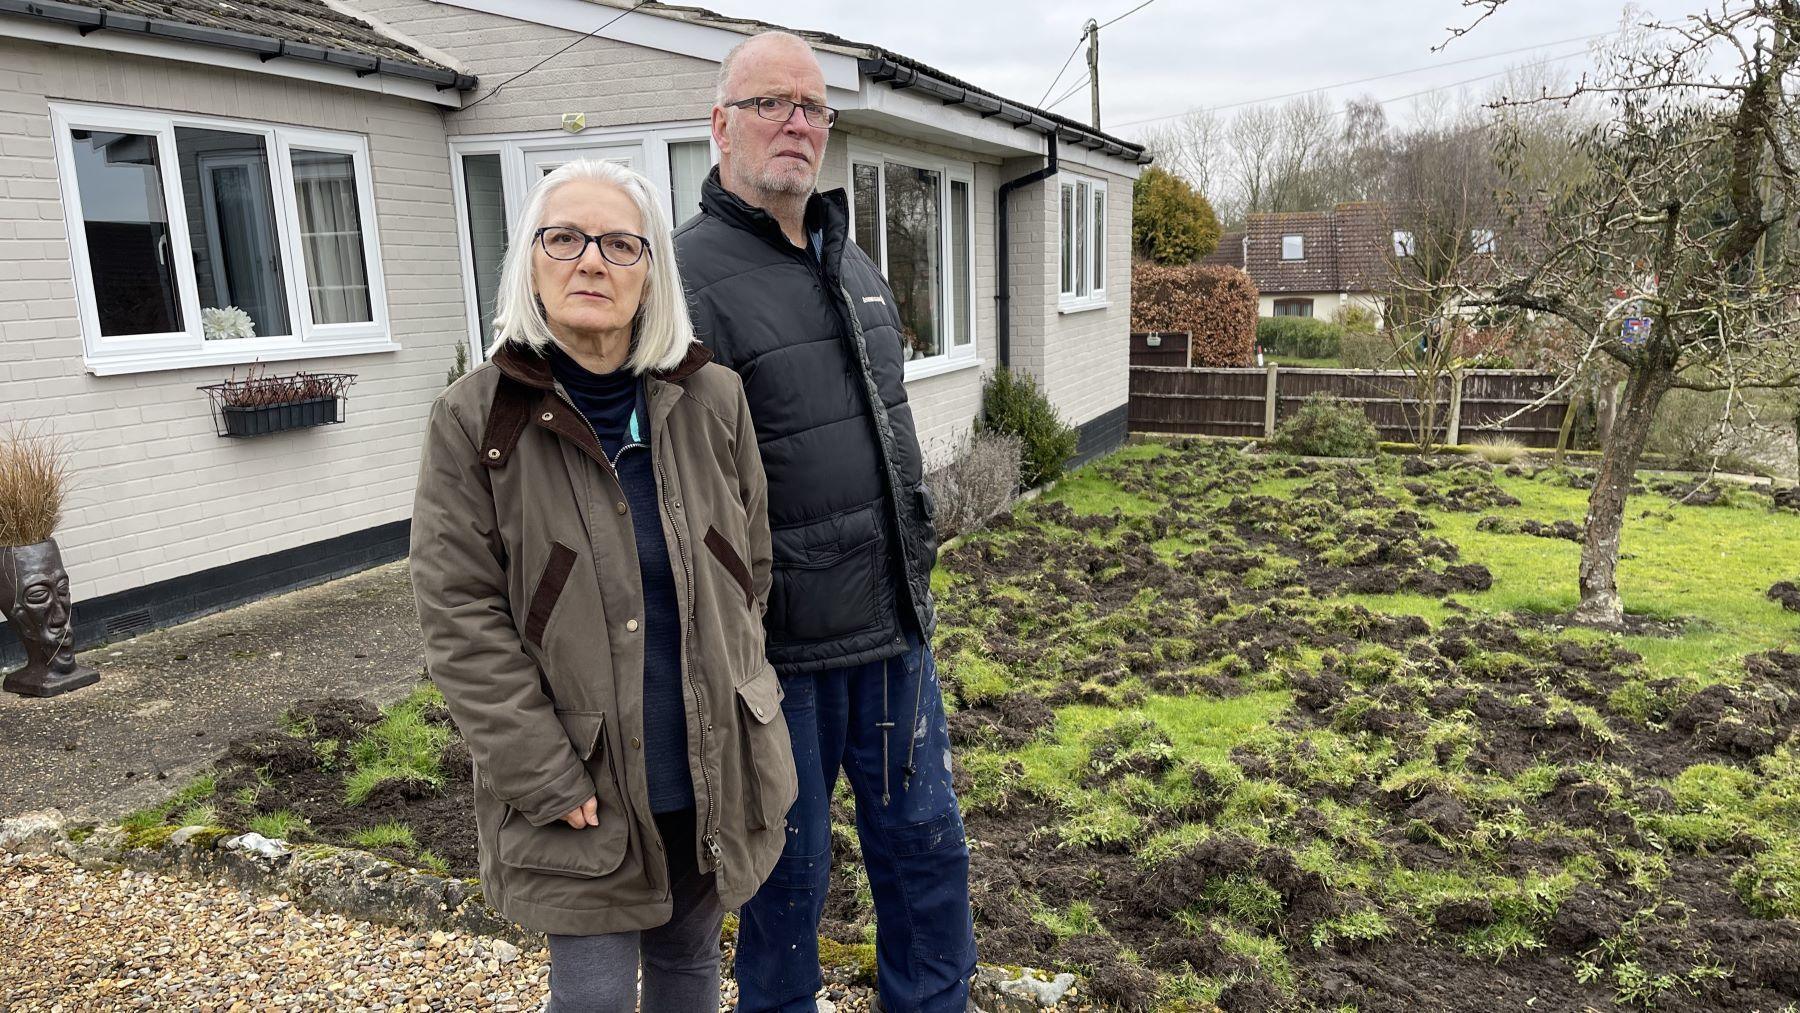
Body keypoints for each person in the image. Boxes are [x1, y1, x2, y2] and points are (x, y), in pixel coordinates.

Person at [409, 158, 797, 1013]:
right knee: (590, 998)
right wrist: (544, 772)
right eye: (566, 238)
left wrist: (732, 707)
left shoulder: (712, 399)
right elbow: (458, 619)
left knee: (691, 969)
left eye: (621, 244)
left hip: (705, 764)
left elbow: (750, 572)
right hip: (579, 777)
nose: (592, 261)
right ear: (531, 263)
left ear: (651, 271)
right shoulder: (474, 421)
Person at [674, 30, 977, 1013]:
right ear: (720, 125)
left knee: (929, 859)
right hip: (779, 661)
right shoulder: (683, 283)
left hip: (893, 633)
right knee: (784, 891)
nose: (796, 123)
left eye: (812, 108)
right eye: (772, 104)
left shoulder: (854, 265)